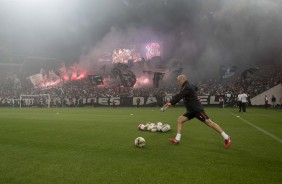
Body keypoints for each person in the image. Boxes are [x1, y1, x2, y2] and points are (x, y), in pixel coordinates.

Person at [164, 75, 231, 149]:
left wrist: (171, 102)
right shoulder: (188, 85)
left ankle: (227, 137)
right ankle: (177, 139)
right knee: (180, 120)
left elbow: (180, 95)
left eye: (179, 80)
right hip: (191, 111)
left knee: (209, 123)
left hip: (196, 110)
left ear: (183, 79)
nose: (178, 82)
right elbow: (196, 88)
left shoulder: (187, 87)